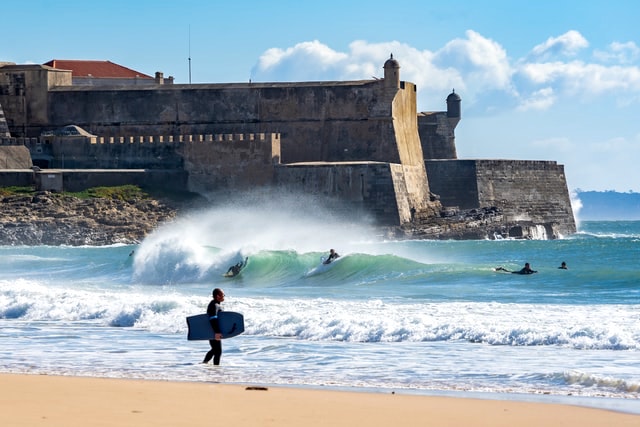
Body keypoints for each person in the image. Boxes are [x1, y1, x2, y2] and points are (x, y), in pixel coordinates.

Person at [202, 288, 225, 365]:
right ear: (218, 296)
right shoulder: (214, 305)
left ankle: (204, 362)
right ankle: (216, 371)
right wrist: (217, 332)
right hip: (213, 331)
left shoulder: (215, 304)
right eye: (223, 295)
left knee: (215, 350)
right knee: (217, 351)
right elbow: (213, 318)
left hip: (212, 330)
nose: (224, 296)